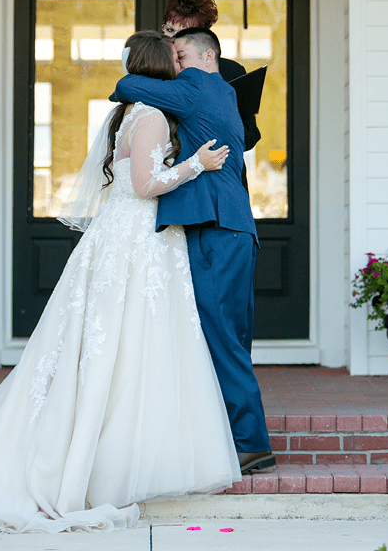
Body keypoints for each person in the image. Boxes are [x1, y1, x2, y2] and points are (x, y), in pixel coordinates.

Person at [0, 31, 241, 535]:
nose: (181, 64)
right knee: (125, 346)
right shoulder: (150, 116)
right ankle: (100, 464)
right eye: (174, 57)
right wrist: (196, 165)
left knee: (127, 346)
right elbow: (146, 186)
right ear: (158, 66)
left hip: (130, 238)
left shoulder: (129, 112)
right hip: (135, 240)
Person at [111, 27, 275, 476]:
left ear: (207, 57)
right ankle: (234, 434)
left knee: (220, 336)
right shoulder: (224, 95)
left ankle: (250, 444)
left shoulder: (197, 86)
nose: (175, 65)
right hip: (234, 228)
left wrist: (152, 72)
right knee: (232, 336)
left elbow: (126, 84)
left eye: (180, 55)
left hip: (214, 228)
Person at [161, 0, 261, 152]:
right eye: (169, 30)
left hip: (224, 171)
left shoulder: (231, 72)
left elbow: (250, 136)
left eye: (184, 33)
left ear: (202, 36)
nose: (173, 39)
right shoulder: (157, 70)